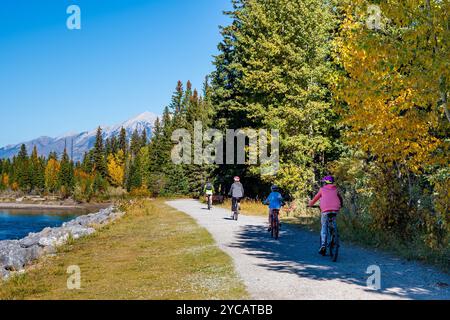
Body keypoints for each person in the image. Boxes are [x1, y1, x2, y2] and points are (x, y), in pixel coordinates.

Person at [309, 175, 343, 256]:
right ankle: (334, 235)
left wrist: (310, 204)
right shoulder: (336, 189)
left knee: (324, 226)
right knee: (333, 221)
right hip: (335, 209)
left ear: (325, 182)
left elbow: (315, 199)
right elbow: (340, 198)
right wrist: (341, 204)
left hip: (325, 210)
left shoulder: (322, 189)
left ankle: (323, 245)